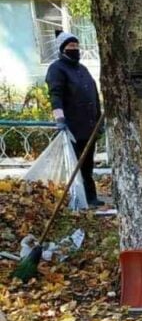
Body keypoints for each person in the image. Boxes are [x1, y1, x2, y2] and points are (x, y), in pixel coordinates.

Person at [45, 32, 102, 207]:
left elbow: (93, 94)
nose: (75, 50)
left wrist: (99, 120)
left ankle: (90, 198)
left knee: (87, 166)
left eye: (76, 47)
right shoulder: (57, 69)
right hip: (72, 128)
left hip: (89, 127)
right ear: (62, 49)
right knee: (75, 167)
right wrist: (59, 119)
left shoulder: (82, 69)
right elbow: (56, 95)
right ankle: (77, 200)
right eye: (71, 47)